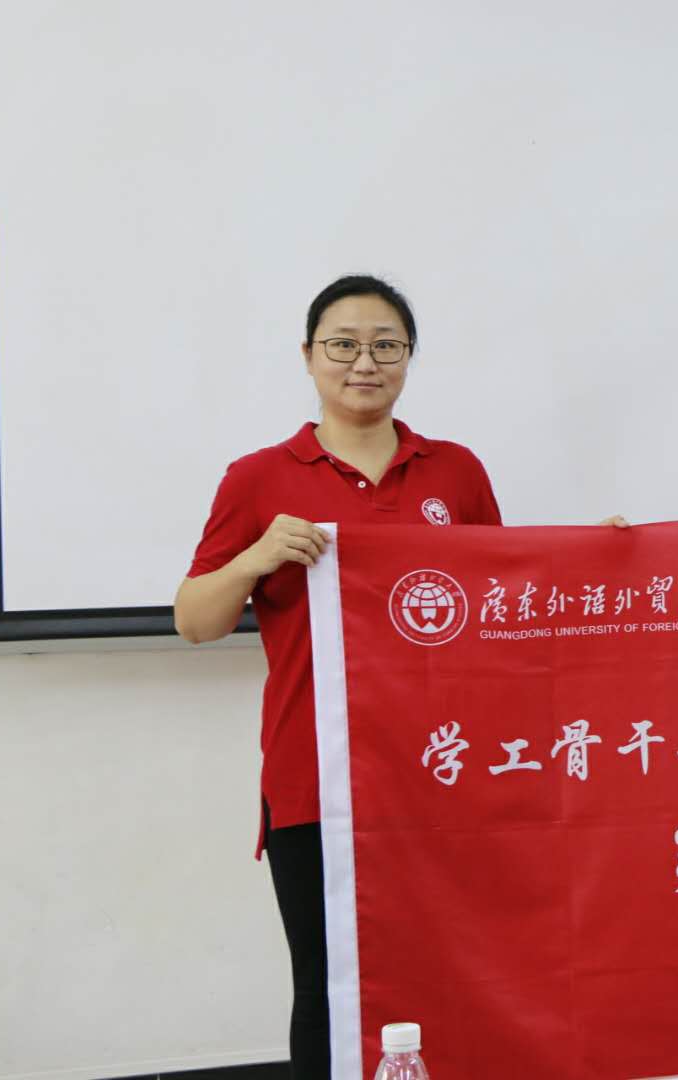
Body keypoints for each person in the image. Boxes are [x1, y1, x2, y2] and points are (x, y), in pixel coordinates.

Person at [174, 274, 506, 1078]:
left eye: (386, 346)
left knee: (458, 976)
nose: (365, 363)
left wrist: (598, 559)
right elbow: (194, 620)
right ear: (308, 356)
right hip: (315, 779)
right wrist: (257, 557)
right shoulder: (259, 478)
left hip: (442, 773)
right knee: (328, 989)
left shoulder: (455, 471)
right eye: (344, 345)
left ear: (409, 358)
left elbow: (504, 604)